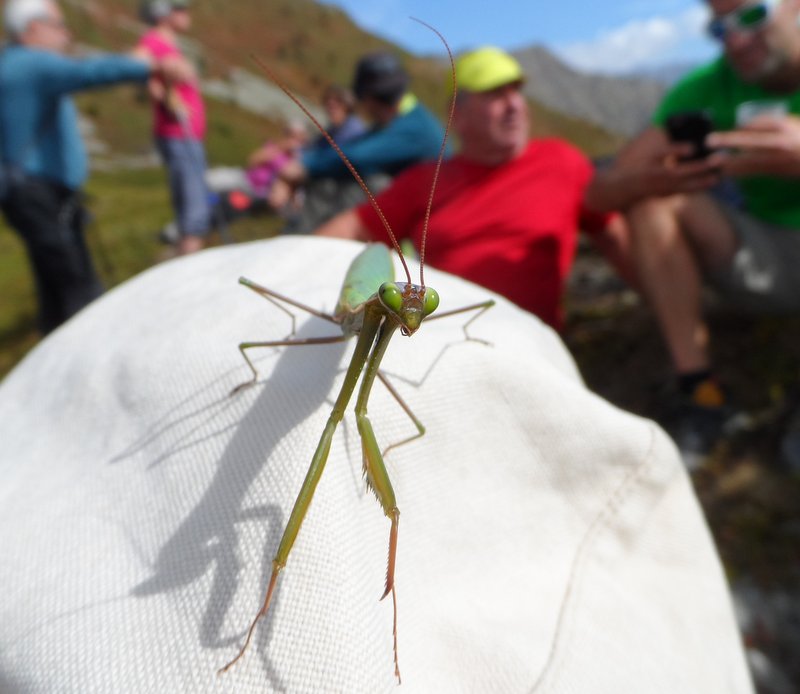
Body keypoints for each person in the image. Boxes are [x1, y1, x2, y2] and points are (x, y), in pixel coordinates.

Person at [586, 0, 800, 461]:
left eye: (750, 16)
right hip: (762, 257)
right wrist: (653, 180)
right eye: (719, 28)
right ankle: (701, 393)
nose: (736, 39)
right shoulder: (704, 88)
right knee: (651, 203)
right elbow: (600, 194)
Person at [315, 47, 631, 332]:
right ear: (458, 114)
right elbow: (351, 228)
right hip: (434, 338)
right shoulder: (427, 179)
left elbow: (616, 238)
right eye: (494, 94)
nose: (514, 105)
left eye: (516, 91)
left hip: (537, 346)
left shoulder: (562, 161)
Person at [0, 0, 174, 334]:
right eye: (58, 24)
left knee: (52, 282)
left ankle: (54, 345)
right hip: (41, 194)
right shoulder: (32, 64)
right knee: (76, 285)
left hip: (30, 194)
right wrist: (147, 64)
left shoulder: (13, 65)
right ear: (33, 28)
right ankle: (92, 350)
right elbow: (88, 72)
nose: (66, 33)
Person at [281, 51, 447, 234]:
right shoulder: (403, 118)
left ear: (368, 98)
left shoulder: (415, 128)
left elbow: (357, 156)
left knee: (367, 183)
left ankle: (305, 243)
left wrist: (306, 165)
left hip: (422, 226)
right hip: (415, 216)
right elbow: (358, 147)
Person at [137, 0, 210, 255]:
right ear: (163, 13)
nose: (186, 12)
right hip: (179, 134)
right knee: (194, 208)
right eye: (180, 8)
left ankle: (185, 256)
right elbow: (138, 67)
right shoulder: (153, 41)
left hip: (185, 135)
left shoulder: (168, 44)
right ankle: (190, 267)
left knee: (190, 203)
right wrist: (165, 95)